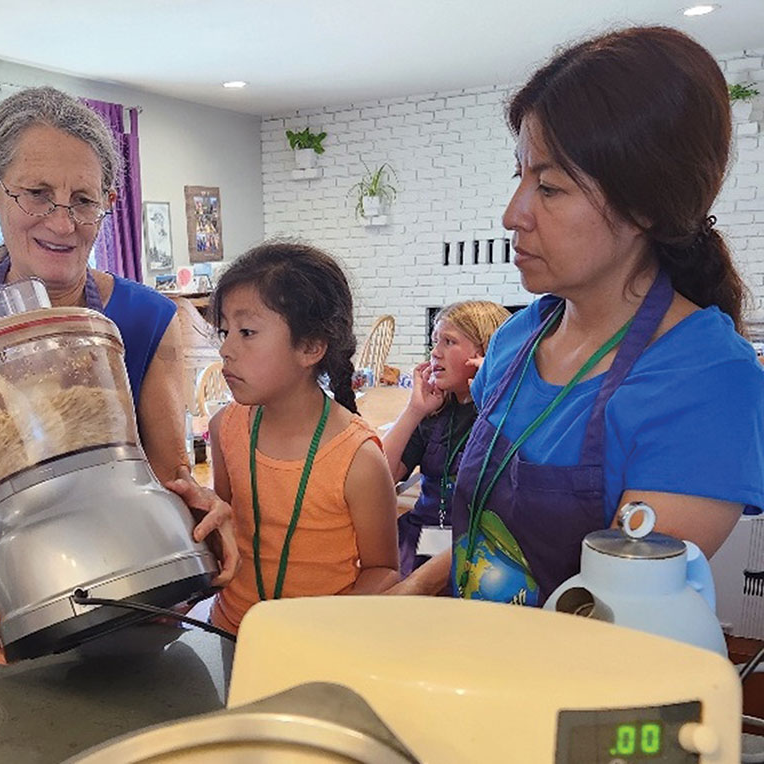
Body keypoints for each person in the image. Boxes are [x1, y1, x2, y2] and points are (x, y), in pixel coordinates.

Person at [392, 26, 764, 605]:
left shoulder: (705, 378)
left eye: (551, 187)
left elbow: (622, 606)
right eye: (521, 177)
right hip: (475, 661)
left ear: (646, 202)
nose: (513, 214)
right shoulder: (517, 339)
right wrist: (411, 589)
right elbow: (484, 542)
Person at [0, 86, 237, 663]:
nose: (63, 222)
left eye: (84, 200)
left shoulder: (150, 319)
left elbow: (170, 474)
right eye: (38, 194)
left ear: (107, 203)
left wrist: (202, 511)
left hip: (135, 603)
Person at [206, 241, 399, 633]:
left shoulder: (357, 458)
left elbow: (383, 570)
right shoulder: (225, 427)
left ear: (310, 346)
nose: (226, 349)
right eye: (225, 331)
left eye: (246, 332)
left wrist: (320, 631)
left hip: (314, 648)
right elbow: (222, 527)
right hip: (230, 633)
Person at [381, 301, 510, 576]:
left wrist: (494, 396)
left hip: (480, 546)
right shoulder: (435, 412)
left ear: (486, 351)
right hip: (424, 535)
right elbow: (380, 479)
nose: (435, 353)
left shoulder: (509, 414)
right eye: (434, 341)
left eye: (449, 342)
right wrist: (413, 411)